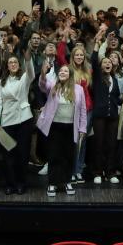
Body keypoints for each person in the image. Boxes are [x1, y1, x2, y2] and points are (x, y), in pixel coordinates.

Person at [0, 45, 37, 195]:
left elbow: (31, 74)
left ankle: (21, 183)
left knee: (22, 154)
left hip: (24, 120)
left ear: (19, 64)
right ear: (7, 65)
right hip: (7, 122)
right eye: (10, 62)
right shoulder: (1, 82)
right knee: (8, 156)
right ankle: (10, 184)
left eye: (15, 62)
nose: (13, 64)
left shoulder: (24, 78)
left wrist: (28, 59)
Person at [36, 61, 87, 196]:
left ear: (70, 74)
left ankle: (67, 182)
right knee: (54, 155)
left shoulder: (78, 89)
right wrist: (43, 72)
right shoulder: (53, 86)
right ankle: (52, 183)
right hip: (55, 127)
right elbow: (42, 85)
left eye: (65, 71)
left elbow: (82, 110)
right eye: (61, 71)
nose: (62, 73)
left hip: (71, 128)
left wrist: (82, 129)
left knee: (68, 156)